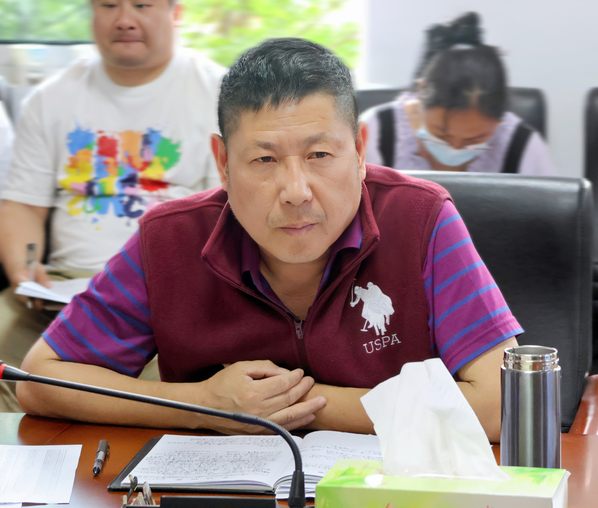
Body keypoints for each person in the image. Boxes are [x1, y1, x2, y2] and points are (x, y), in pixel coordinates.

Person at [17, 38, 520, 443]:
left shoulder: (422, 218)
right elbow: (41, 380)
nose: (296, 191)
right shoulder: (169, 239)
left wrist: (291, 406)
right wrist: (204, 405)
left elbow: (503, 404)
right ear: (223, 163)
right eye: (264, 160)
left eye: (320, 155)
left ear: (359, 150)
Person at [0, 0, 225, 411]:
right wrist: (24, 268)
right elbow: (24, 205)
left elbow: (223, 214)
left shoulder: (218, 94)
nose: (124, 20)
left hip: (169, 294)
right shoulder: (52, 97)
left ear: (175, 13)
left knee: (161, 391)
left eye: (141, 5)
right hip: (61, 290)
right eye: (108, 5)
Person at [361, 12, 556, 175]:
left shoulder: (524, 148)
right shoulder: (377, 133)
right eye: (440, 134)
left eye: (474, 140)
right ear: (421, 93)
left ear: (500, 121)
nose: (454, 149)